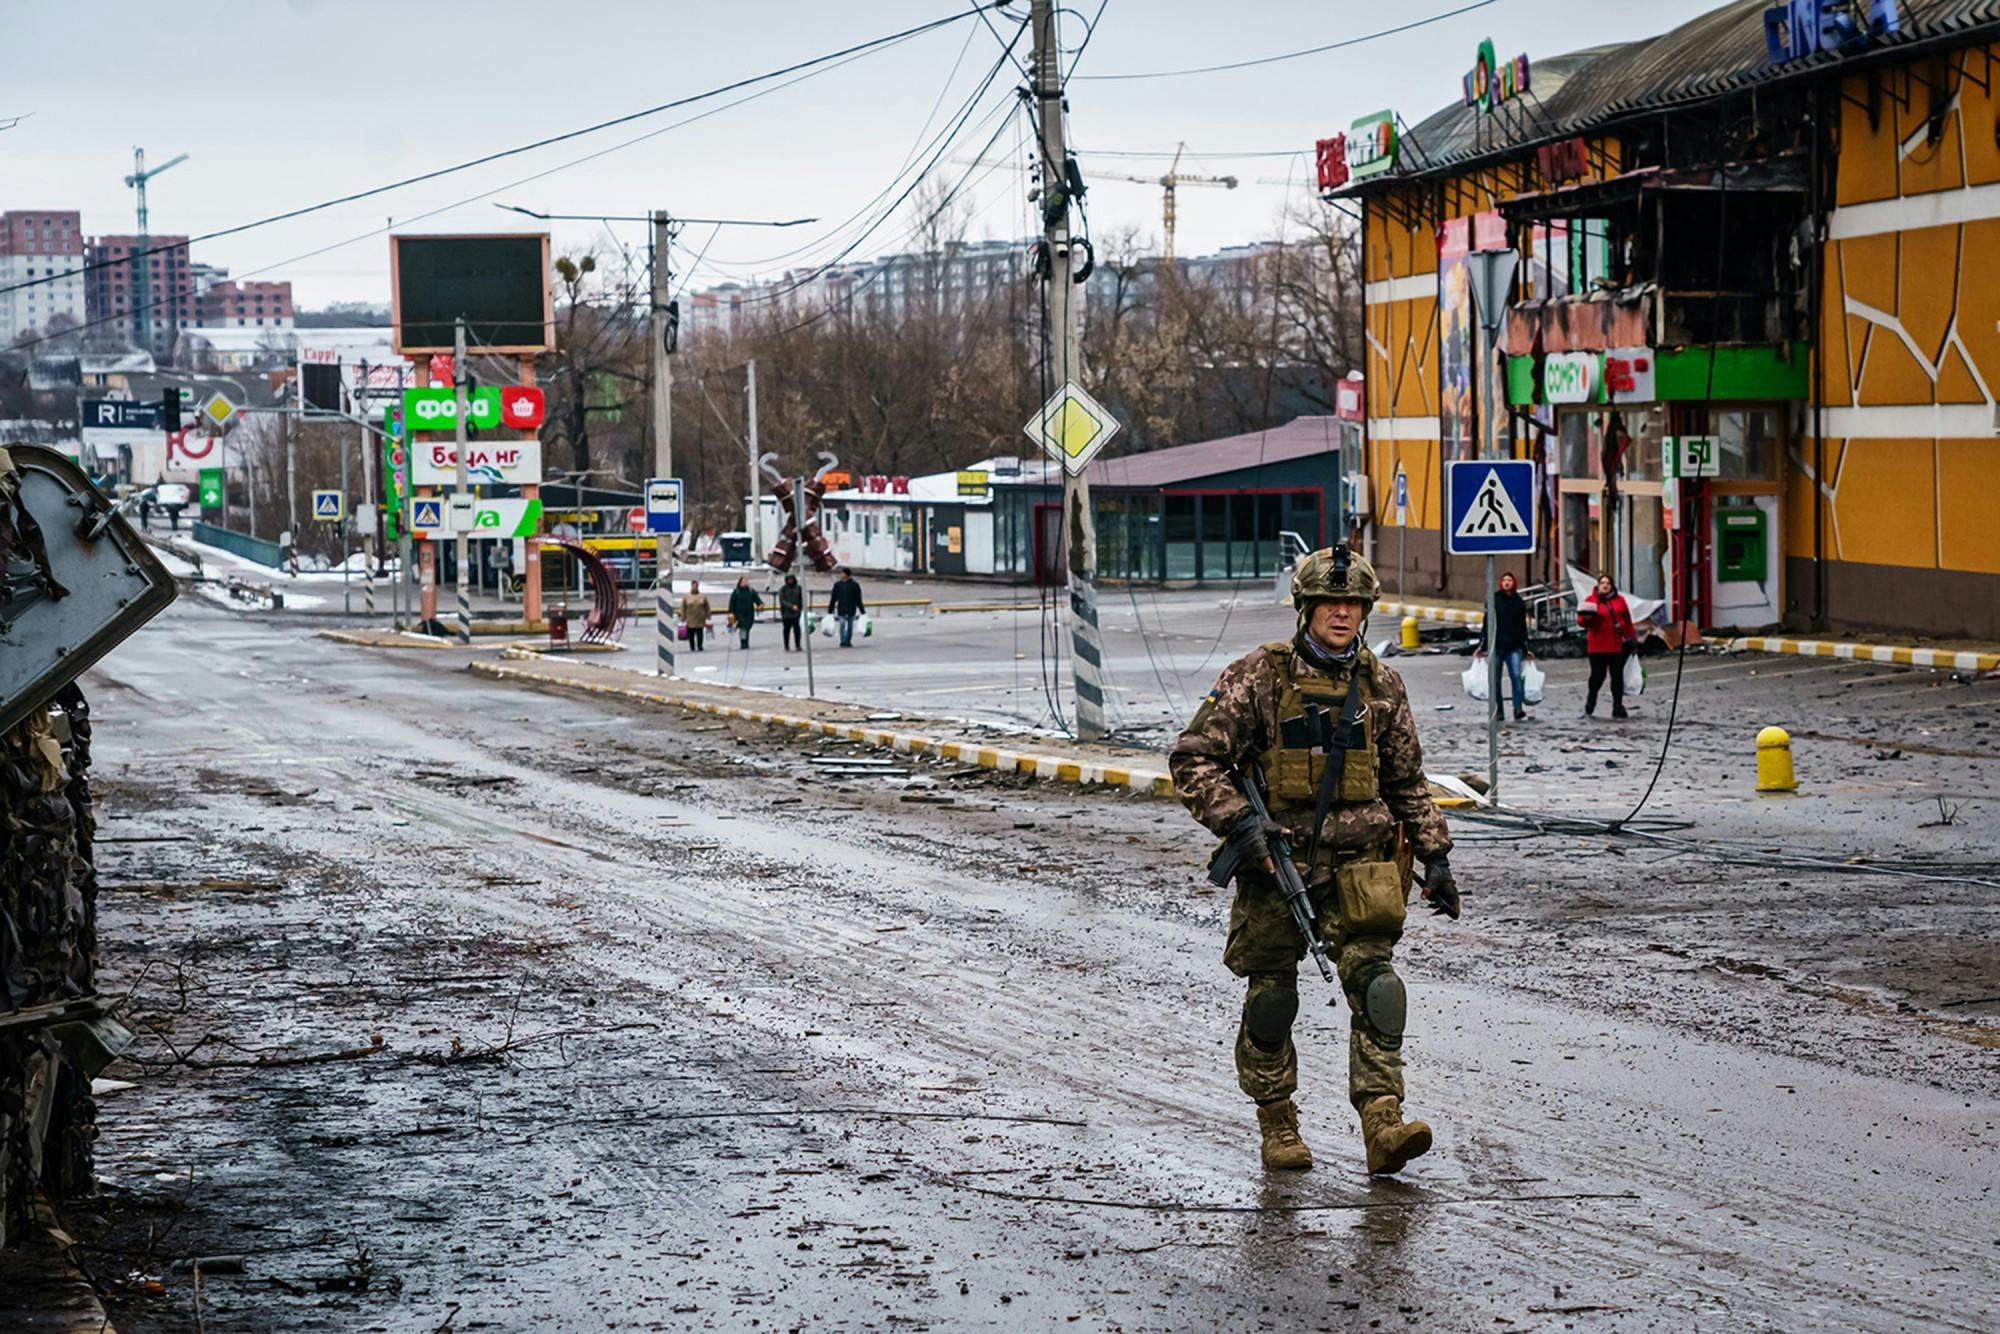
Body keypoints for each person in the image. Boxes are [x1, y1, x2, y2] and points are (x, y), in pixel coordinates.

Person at [1171, 545, 1461, 1177]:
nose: (1342, 613)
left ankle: (1383, 1124)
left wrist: (1435, 853)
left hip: (1362, 868)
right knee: (1273, 997)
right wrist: (1240, 822)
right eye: (1331, 603)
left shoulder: (1381, 685)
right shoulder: (1259, 676)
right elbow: (1193, 757)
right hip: (1279, 865)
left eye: (1353, 604)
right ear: (1306, 608)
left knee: (1379, 988)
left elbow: (1407, 779)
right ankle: (1278, 1124)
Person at [1579, 573, 1637, 719]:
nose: (1605, 586)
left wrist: (1633, 639)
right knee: (1598, 676)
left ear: (1612, 586)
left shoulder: (1620, 600)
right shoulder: (1591, 600)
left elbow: (1627, 620)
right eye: (1602, 583)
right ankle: (1591, 700)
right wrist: (1587, 619)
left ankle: (1618, 706)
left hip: (1617, 645)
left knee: (1617, 676)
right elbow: (1581, 620)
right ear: (1598, 586)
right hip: (1598, 646)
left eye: (1608, 583)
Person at [1490, 571, 1530, 722]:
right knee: (1496, 680)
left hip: (1513, 646)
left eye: (1510, 580)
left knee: (1516, 677)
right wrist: (1482, 644)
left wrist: (1526, 648)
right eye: (1504, 580)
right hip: (1497, 645)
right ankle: (1499, 710)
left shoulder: (1518, 602)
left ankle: (1517, 708)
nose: (1507, 583)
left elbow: (1522, 627)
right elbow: (1488, 622)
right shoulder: (1494, 600)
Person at [827, 567, 866, 648]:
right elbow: (833, 598)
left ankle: (848, 640)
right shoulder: (838, 585)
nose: (840, 575)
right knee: (842, 624)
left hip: (851, 608)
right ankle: (843, 641)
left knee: (850, 626)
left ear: (846, 574)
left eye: (842, 573)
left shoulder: (854, 585)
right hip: (841, 608)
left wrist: (862, 611)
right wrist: (830, 610)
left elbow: (858, 599)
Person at [728, 576, 763, 650]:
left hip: (749, 614)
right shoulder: (736, 592)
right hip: (739, 614)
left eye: (746, 581)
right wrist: (731, 613)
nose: (745, 583)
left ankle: (746, 641)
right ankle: (743, 642)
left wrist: (760, 604)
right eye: (743, 581)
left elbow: (757, 599)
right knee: (743, 628)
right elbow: (732, 603)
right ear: (740, 583)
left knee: (747, 628)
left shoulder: (751, 591)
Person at [680, 581, 711, 653]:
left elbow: (707, 607)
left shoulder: (703, 596)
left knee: (700, 632)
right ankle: (692, 646)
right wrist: (683, 617)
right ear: (691, 586)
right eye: (693, 586)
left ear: (698, 586)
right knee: (691, 633)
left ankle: (700, 646)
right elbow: (683, 607)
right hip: (690, 618)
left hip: (700, 618)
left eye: (696, 586)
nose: (694, 587)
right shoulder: (686, 596)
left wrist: (708, 616)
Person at [779, 573, 805, 652]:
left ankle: (798, 645)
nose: (790, 581)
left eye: (791, 579)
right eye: (788, 580)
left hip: (796, 613)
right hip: (786, 614)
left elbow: (801, 599)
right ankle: (786, 645)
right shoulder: (783, 589)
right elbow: (782, 600)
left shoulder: (798, 588)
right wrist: (791, 606)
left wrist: (800, 608)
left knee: (797, 630)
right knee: (786, 630)